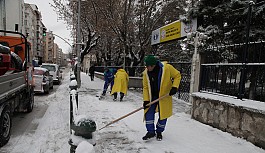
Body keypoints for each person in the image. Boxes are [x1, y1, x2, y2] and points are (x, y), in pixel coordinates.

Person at [142, 55, 181, 141]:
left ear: (153, 65)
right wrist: (146, 100)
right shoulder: (146, 73)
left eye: (148, 66)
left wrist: (174, 87)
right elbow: (145, 87)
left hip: (164, 96)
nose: (146, 68)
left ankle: (159, 131)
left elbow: (177, 75)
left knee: (163, 115)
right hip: (152, 96)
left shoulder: (167, 68)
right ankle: (151, 132)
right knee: (148, 112)